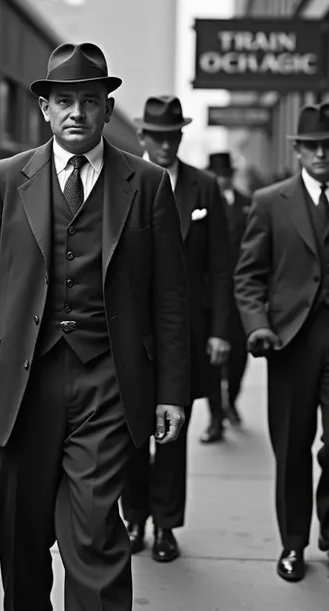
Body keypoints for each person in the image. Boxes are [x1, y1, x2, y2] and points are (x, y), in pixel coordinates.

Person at [0, 44, 190, 611]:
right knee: (21, 540)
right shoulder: (4, 180)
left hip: (109, 383)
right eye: (64, 102)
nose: (77, 112)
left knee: (98, 537)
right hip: (20, 386)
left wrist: (171, 393)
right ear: (45, 111)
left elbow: (170, 299)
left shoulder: (147, 184)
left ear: (106, 109)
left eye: (89, 101)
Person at [121, 95, 231, 563]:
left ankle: (166, 526)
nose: (165, 144)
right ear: (144, 137)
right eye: (157, 136)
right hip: (128, 334)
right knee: (129, 435)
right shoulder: (120, 179)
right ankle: (134, 518)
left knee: (172, 435)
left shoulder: (203, 187)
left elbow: (222, 266)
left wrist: (220, 330)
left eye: (173, 136)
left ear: (181, 136)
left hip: (183, 334)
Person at [234, 101, 329, 583]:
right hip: (290, 345)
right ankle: (294, 544)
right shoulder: (272, 201)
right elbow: (248, 275)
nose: (321, 154)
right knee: (291, 449)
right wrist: (256, 325)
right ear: (297, 151)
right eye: (312, 146)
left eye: (327, 146)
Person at [200, 152, 251, 443]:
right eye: (217, 174)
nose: (221, 179)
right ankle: (216, 418)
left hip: (242, 297)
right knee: (212, 360)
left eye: (225, 174)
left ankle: (231, 398)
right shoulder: (202, 203)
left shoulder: (247, 204)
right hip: (210, 297)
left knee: (240, 357)